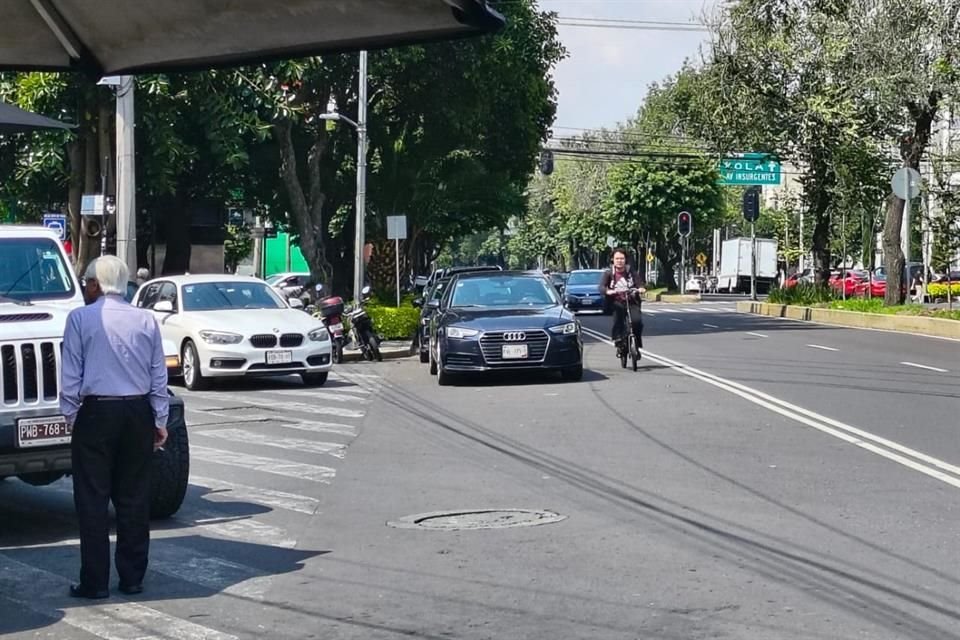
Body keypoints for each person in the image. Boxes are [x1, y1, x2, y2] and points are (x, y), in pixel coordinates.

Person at [60, 255, 169, 600]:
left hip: (96, 412)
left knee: (92, 500)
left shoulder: (79, 318)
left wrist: (73, 417)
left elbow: (70, 377)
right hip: (138, 412)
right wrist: (160, 419)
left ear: (95, 284)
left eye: (88, 283)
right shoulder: (147, 320)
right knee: (134, 497)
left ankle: (94, 582)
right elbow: (158, 375)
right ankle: (133, 577)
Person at [601, 249, 646, 357]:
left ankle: (637, 345)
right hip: (617, 302)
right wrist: (608, 291)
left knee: (637, 322)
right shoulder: (609, 273)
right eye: (617, 258)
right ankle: (619, 343)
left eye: (622, 258)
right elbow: (602, 286)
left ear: (625, 260)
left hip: (631, 301)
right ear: (613, 260)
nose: (619, 261)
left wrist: (641, 288)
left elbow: (639, 283)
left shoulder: (631, 271)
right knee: (618, 321)